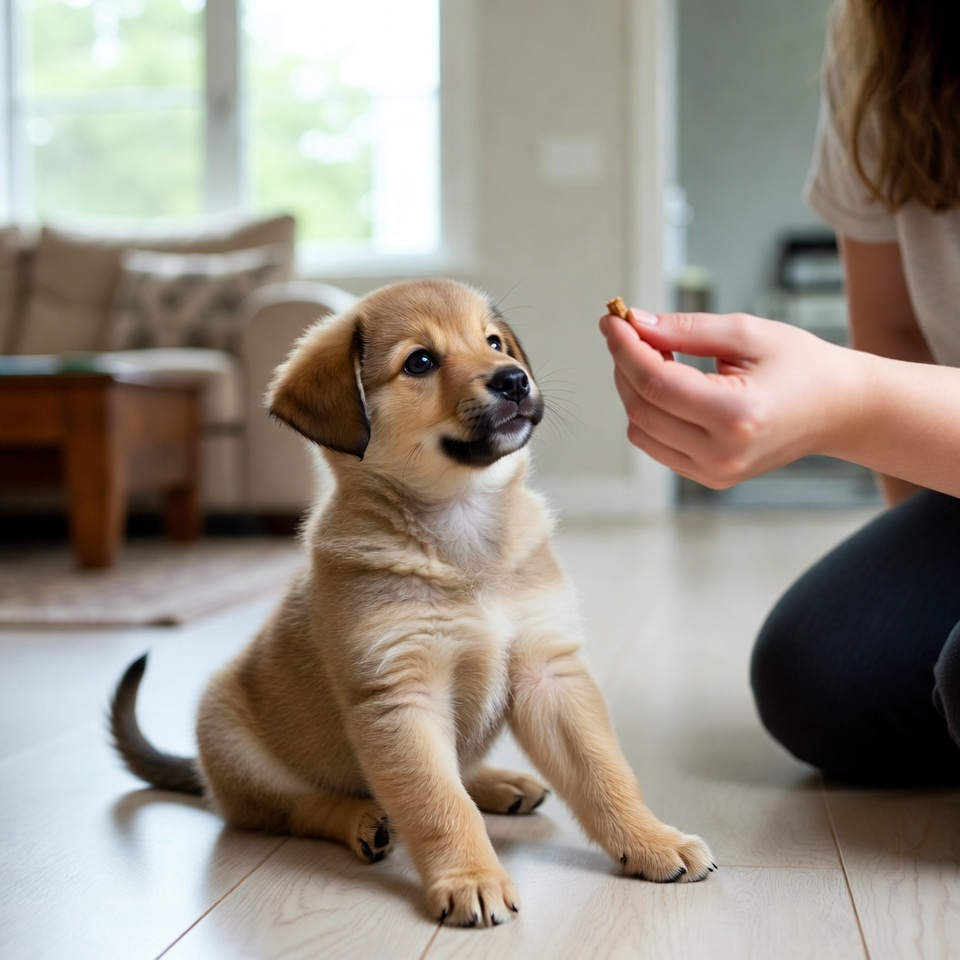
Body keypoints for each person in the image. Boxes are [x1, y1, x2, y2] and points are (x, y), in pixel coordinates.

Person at [599, 0, 960, 786]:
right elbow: (894, 332)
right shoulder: (883, 32)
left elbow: (872, 381)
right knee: (822, 678)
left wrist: (851, 404)